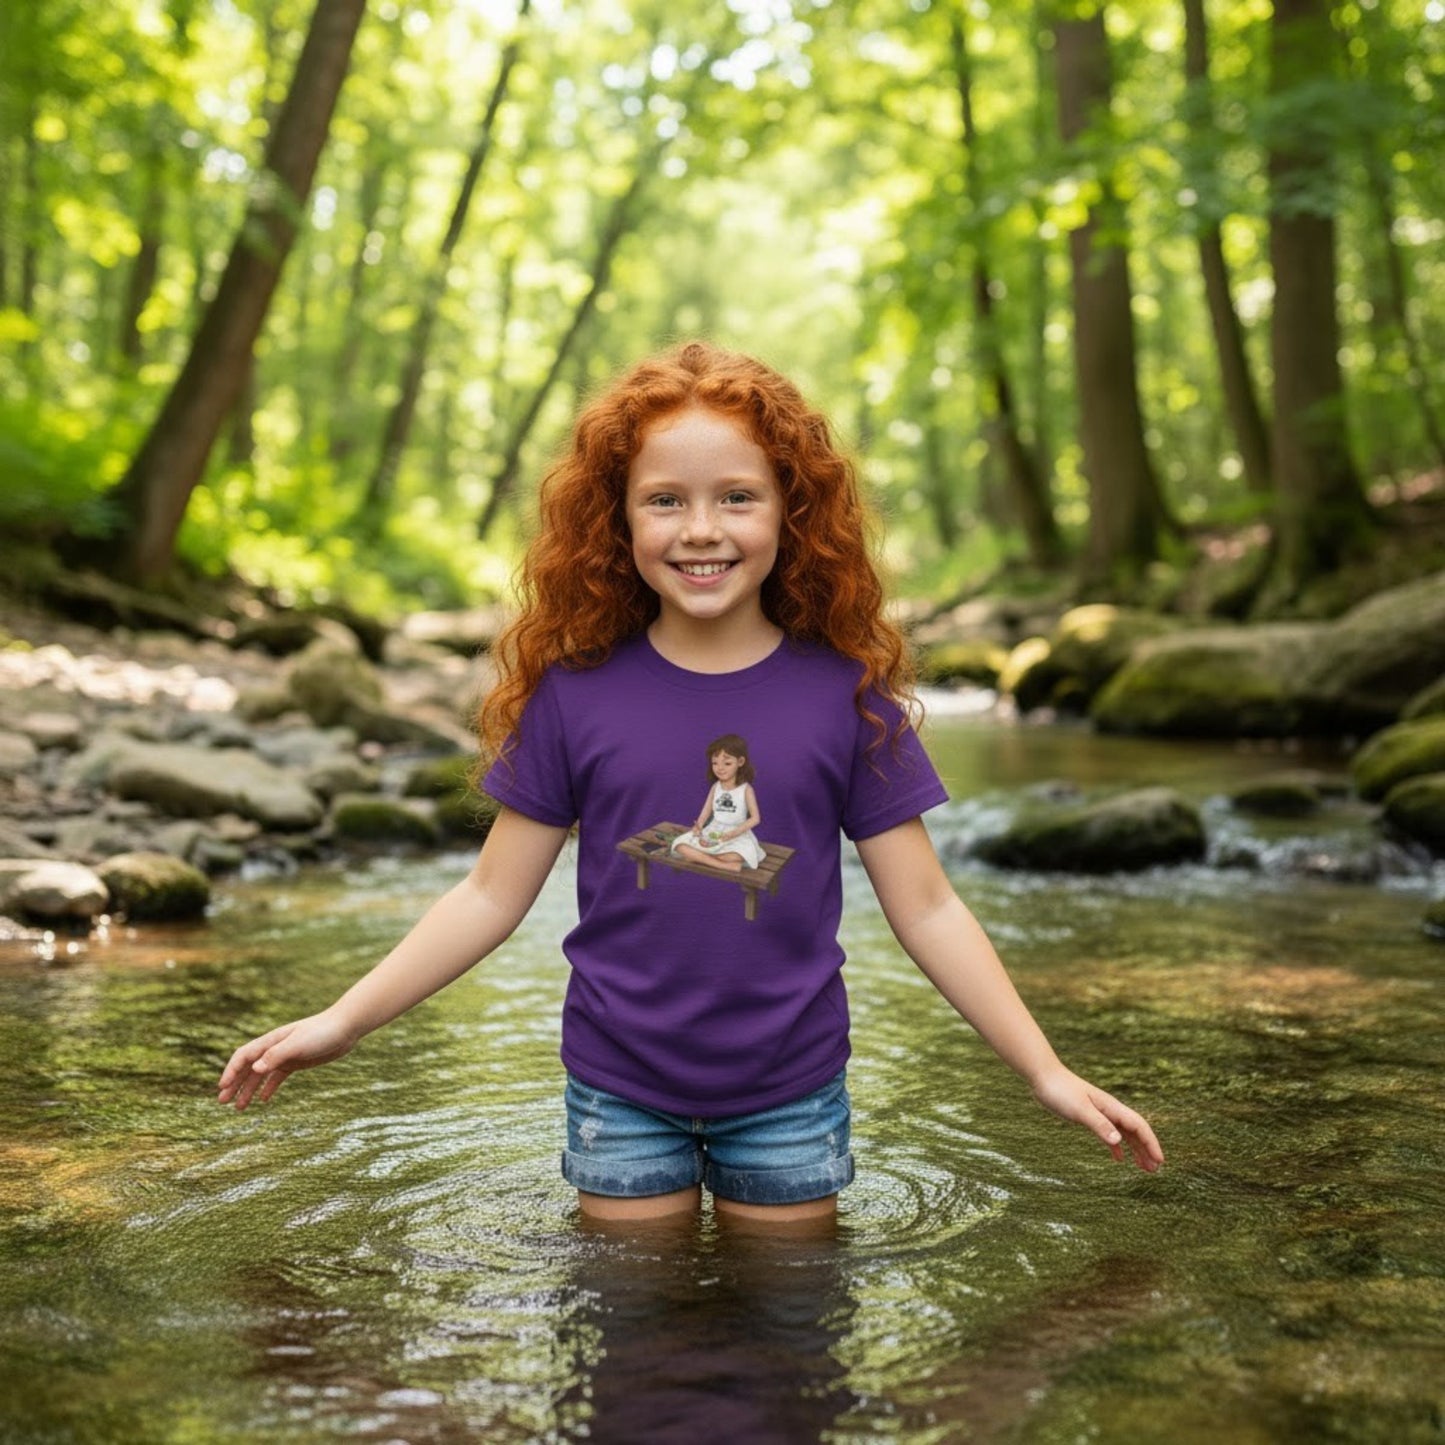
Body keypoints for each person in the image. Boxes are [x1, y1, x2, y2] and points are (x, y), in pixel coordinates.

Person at [217, 341, 1163, 1226]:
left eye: (737, 498)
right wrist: (344, 1020)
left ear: (789, 514)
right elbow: (489, 895)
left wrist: (1042, 1069)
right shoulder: (574, 693)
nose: (701, 529)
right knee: (635, 1331)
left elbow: (928, 910)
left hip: (790, 1091)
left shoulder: (845, 695)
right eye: (664, 500)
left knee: (788, 1330)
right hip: (619, 1089)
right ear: (616, 518)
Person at [670, 734, 765, 872]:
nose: (720, 768)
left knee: (735, 856)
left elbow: (756, 818)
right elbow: (706, 810)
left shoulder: (746, 789)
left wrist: (735, 832)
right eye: (715, 763)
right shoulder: (716, 786)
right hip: (713, 831)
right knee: (679, 845)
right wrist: (699, 826)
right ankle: (722, 865)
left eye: (727, 763)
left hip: (736, 834)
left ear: (740, 762)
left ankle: (699, 857)